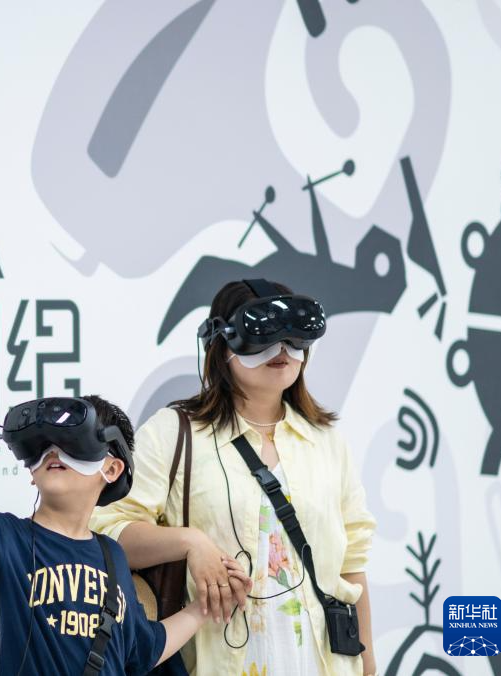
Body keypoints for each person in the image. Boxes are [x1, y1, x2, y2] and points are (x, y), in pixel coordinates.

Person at [90, 280, 377, 676]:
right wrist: (190, 542)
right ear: (220, 345)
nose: (282, 349)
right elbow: (106, 533)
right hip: (216, 662)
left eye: (294, 336)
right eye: (263, 334)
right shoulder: (174, 432)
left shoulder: (326, 442)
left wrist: (368, 665)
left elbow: (352, 564)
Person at [0, 347, 250, 675]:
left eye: (72, 444)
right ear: (31, 473)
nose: (53, 453)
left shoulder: (113, 556)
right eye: (41, 447)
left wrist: (204, 607)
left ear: (111, 469)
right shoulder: (10, 539)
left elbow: (144, 649)